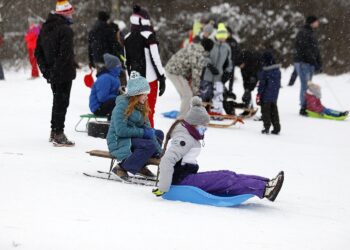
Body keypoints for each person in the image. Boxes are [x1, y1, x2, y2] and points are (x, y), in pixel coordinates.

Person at [152, 96, 284, 202]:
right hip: (180, 181)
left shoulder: (189, 133)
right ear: (194, 124)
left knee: (228, 174)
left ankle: (266, 183)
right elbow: (167, 160)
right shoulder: (184, 138)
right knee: (225, 179)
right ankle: (265, 189)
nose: (205, 130)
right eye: (203, 127)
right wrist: (163, 187)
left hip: (187, 177)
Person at [107, 71, 164, 179]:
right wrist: (143, 133)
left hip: (132, 137)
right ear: (136, 94)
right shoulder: (122, 106)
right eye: (144, 94)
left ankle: (140, 164)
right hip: (118, 139)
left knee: (158, 134)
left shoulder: (142, 106)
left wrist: (159, 151)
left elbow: (148, 129)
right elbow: (121, 131)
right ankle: (122, 167)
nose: (147, 97)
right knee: (149, 145)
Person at [35, 0, 76, 146]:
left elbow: (38, 52)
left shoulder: (45, 28)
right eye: (70, 11)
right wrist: (54, 72)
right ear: (65, 13)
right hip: (62, 73)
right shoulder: (65, 30)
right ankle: (58, 133)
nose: (72, 14)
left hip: (53, 73)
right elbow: (64, 55)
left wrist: (47, 71)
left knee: (57, 102)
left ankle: (54, 131)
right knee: (62, 103)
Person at [124, 4, 166, 128]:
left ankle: (135, 140)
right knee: (148, 113)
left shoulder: (127, 37)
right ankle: (149, 141)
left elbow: (127, 62)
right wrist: (162, 77)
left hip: (134, 79)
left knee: (135, 112)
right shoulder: (149, 36)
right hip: (149, 80)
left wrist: (130, 80)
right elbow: (155, 59)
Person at [165, 38, 213, 119]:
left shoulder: (193, 46)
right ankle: (182, 118)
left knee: (185, 95)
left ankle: (187, 113)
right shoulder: (199, 54)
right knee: (187, 95)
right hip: (175, 72)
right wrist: (196, 92)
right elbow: (196, 75)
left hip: (172, 69)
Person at [201, 23, 232, 115]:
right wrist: (210, 66)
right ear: (217, 35)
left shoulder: (227, 47)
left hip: (219, 76)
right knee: (205, 95)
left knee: (218, 95)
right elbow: (204, 56)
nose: (222, 38)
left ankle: (216, 113)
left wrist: (227, 73)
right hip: (208, 75)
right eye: (220, 36)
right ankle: (200, 113)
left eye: (224, 37)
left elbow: (229, 62)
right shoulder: (210, 43)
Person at [294, 15, 322, 116]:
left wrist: (319, 63)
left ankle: (307, 105)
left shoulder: (311, 33)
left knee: (308, 84)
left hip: (309, 63)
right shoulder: (303, 33)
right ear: (312, 22)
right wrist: (313, 60)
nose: (318, 23)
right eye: (316, 21)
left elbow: (316, 49)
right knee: (305, 85)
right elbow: (304, 49)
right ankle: (303, 107)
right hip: (303, 63)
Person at [89, 53, 121, 120]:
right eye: (118, 65)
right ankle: (113, 124)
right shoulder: (105, 78)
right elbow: (102, 97)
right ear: (112, 66)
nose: (120, 67)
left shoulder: (114, 77)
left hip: (106, 104)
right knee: (118, 102)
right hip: (98, 107)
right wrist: (117, 97)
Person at [257, 51, 281, 134]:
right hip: (274, 95)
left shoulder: (265, 72)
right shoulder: (277, 71)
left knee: (265, 112)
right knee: (274, 111)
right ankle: (277, 127)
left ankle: (266, 127)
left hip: (266, 96)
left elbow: (262, 85)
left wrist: (259, 94)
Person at [225, 26, 241, 94]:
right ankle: (223, 88)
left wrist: (236, 59)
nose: (228, 34)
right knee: (225, 76)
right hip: (224, 62)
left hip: (232, 61)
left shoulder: (234, 41)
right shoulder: (224, 40)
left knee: (231, 76)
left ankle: (230, 90)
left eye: (229, 33)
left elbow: (238, 51)